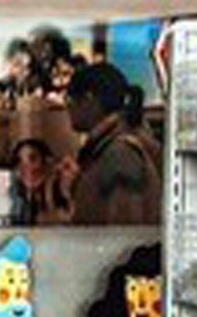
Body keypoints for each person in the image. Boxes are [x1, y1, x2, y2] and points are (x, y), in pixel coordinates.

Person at [63, 64, 161, 226]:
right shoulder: (112, 146)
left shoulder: (120, 154)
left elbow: (125, 229)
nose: (67, 107)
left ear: (89, 99)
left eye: (69, 99)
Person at [11, 139, 73, 225]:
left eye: (33, 159)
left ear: (47, 161)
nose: (26, 167)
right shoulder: (21, 199)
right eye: (19, 161)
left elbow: (70, 215)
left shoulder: (62, 188)